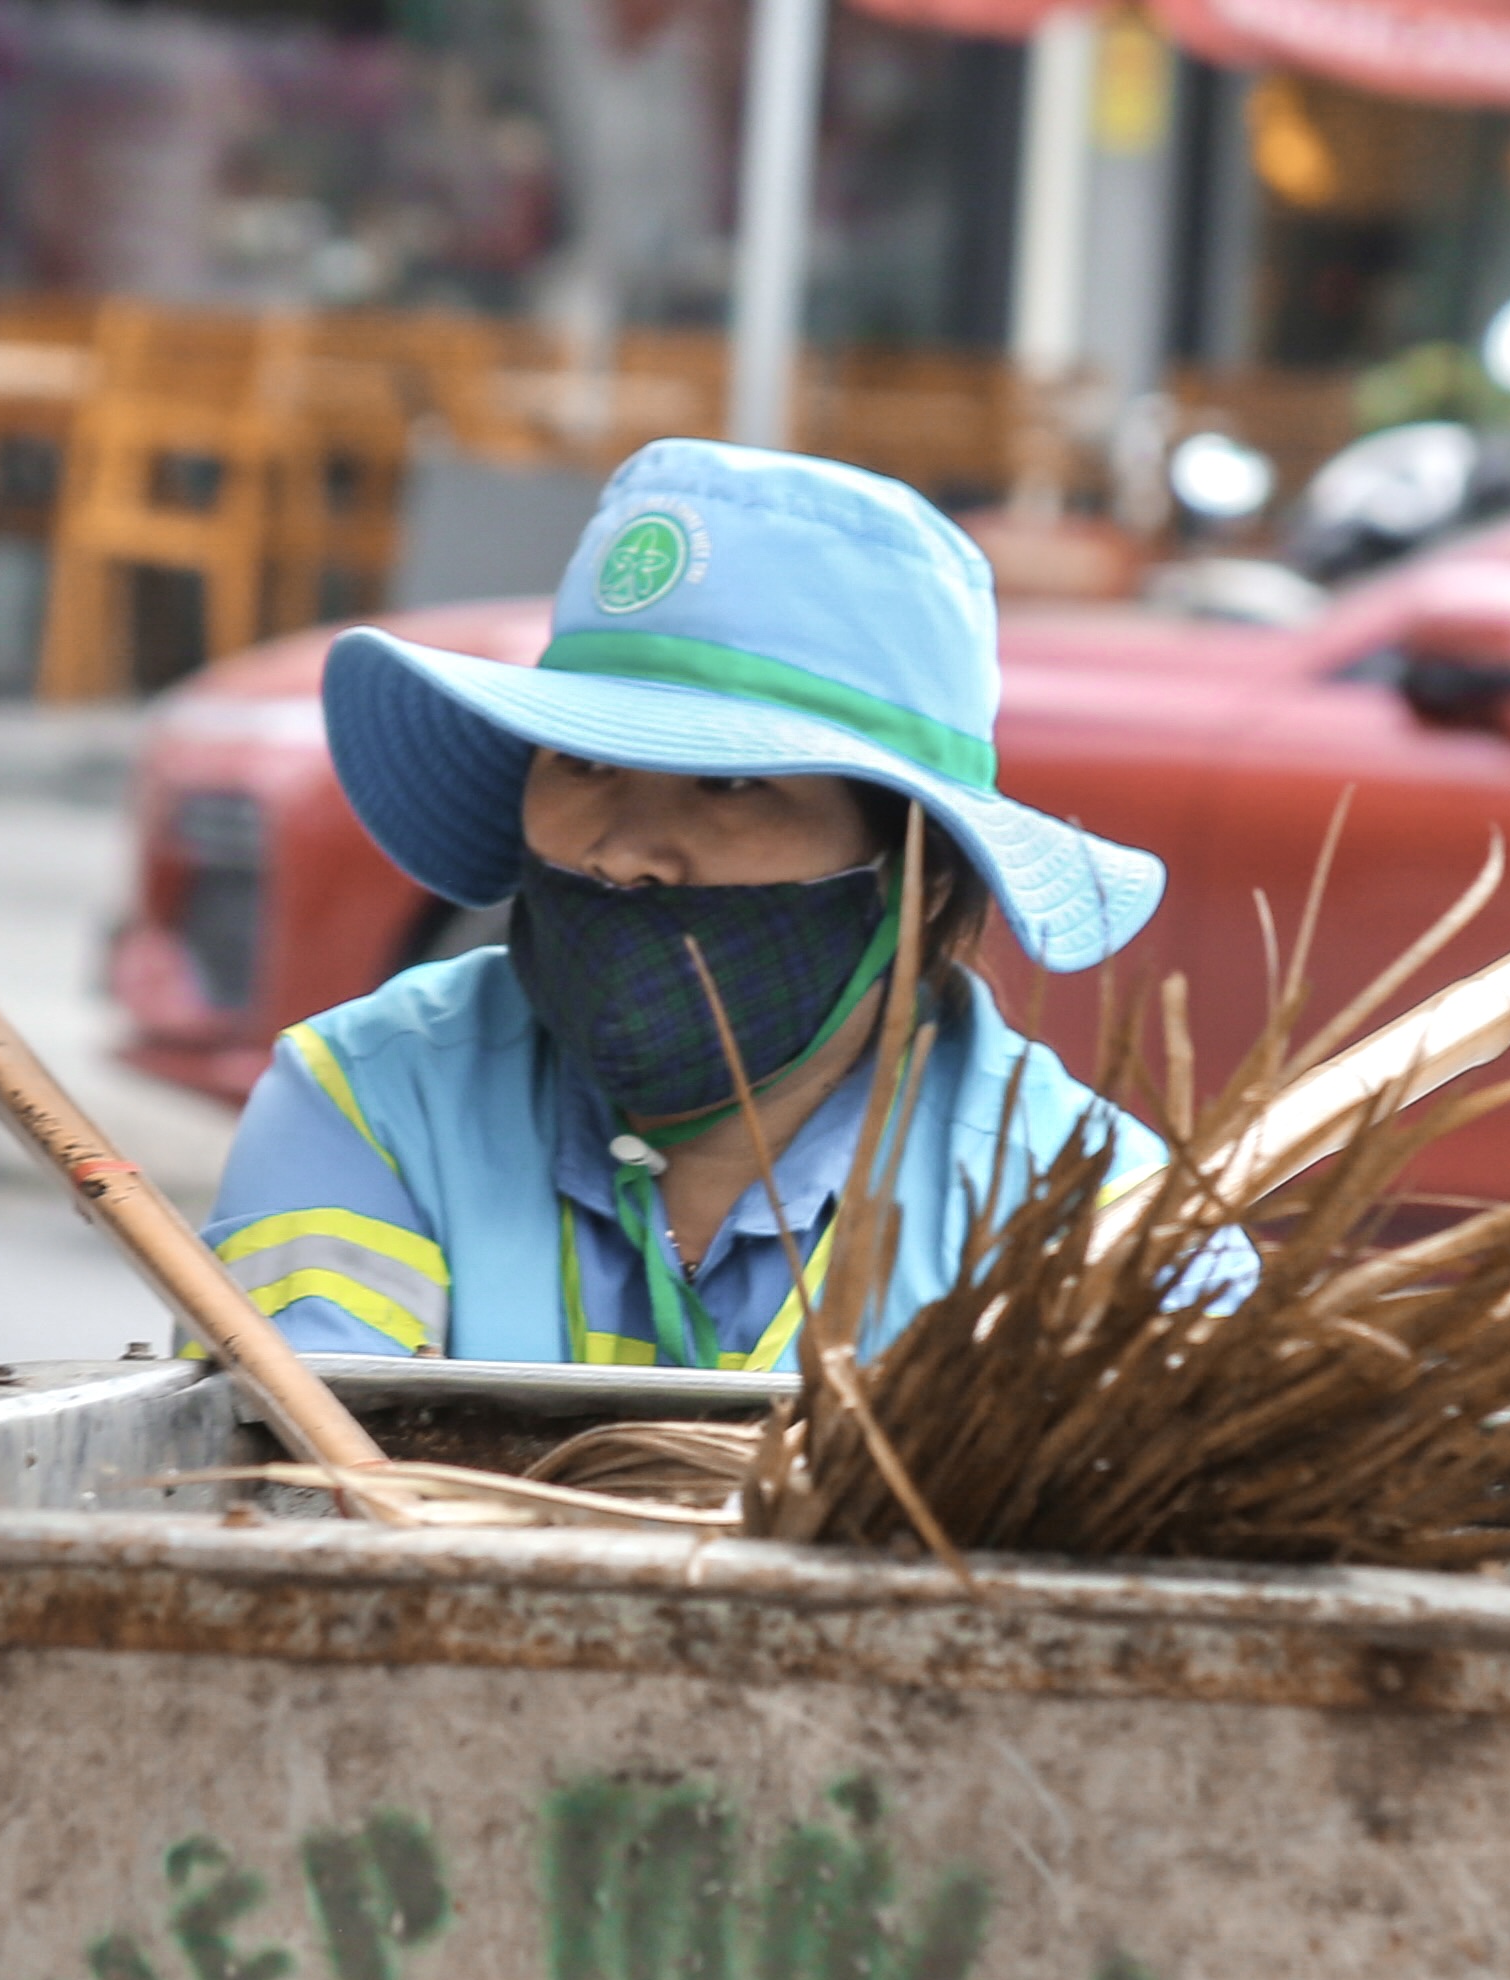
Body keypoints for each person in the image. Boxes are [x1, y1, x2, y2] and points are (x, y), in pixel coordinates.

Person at [202, 439, 1192, 1368]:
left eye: (727, 786)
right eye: (581, 762)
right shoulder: (373, 1101)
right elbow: (306, 1487)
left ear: (917, 867)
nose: (625, 854)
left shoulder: (1083, 1218)